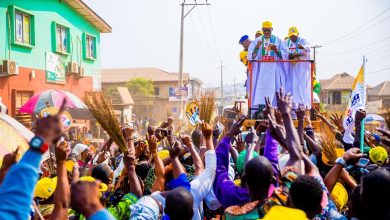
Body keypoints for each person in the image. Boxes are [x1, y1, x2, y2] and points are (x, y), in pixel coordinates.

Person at [247, 21, 288, 112]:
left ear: (272, 30)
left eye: (268, 30)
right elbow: (251, 56)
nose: (266, 32)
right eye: (264, 30)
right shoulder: (257, 41)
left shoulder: (278, 40)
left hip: (274, 70)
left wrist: (276, 50)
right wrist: (257, 47)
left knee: (276, 89)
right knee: (261, 90)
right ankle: (262, 111)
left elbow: (286, 54)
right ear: (262, 30)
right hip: (261, 70)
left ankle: (276, 111)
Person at [284, 26, 312, 108]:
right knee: (292, 87)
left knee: (302, 86)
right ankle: (293, 108)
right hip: (292, 68)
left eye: (294, 36)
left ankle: (304, 106)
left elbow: (308, 49)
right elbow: (284, 52)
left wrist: (301, 49)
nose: (292, 37)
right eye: (291, 36)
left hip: (302, 68)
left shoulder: (303, 40)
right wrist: (290, 55)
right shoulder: (287, 42)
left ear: (298, 34)